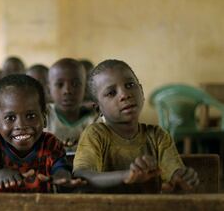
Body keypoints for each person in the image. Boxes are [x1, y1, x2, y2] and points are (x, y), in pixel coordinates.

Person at [73, 59, 199, 193]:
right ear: (98, 109)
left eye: (130, 85)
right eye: (111, 93)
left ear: (142, 91)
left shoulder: (158, 136)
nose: (125, 95)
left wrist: (183, 178)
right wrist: (126, 175)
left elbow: (174, 173)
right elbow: (82, 175)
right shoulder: (95, 134)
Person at [0, 74, 83, 193]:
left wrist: (61, 178)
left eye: (31, 116)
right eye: (10, 118)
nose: (21, 125)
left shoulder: (50, 144)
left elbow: (61, 171)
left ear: (44, 118)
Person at [45, 58, 96, 155]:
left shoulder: (96, 119)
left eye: (75, 84)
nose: (67, 90)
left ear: (85, 88)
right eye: (60, 84)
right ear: (49, 90)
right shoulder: (44, 116)